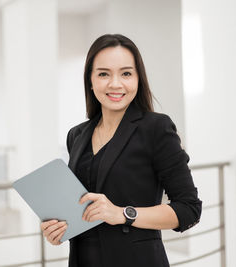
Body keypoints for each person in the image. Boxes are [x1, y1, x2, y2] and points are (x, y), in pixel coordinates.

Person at [40, 34, 202, 267]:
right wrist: (59, 228)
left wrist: (122, 214)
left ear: (138, 79)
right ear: (90, 80)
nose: (115, 84)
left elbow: (189, 209)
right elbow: (82, 210)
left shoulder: (156, 128)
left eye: (126, 73)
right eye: (104, 74)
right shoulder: (77, 135)